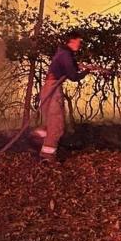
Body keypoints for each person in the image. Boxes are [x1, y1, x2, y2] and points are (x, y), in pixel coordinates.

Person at [35, 32, 93, 160]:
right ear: (72, 41)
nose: (80, 43)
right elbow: (72, 76)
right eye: (79, 41)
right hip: (53, 89)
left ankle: (40, 138)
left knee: (51, 122)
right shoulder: (65, 55)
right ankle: (47, 157)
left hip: (48, 88)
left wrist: (79, 67)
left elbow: (68, 68)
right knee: (57, 125)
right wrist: (86, 72)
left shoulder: (62, 53)